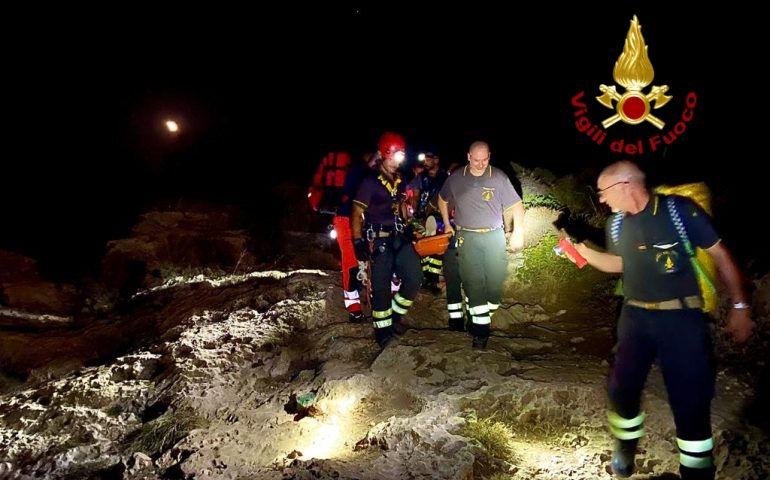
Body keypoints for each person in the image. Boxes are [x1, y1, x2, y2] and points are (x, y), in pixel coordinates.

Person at [573, 160, 754, 479]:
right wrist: (585, 253)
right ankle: (626, 446)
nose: (601, 199)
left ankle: (697, 470)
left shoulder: (678, 211)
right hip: (635, 318)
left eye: (603, 192)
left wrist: (740, 305)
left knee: (690, 400)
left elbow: (720, 254)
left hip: (681, 319)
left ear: (625, 185)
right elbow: (620, 264)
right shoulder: (617, 224)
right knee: (621, 389)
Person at [438, 140, 525, 349]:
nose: (480, 164)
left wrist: (518, 232)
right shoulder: (457, 178)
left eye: (484, 160)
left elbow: (516, 205)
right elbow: (442, 199)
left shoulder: (498, 177)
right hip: (467, 237)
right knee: (474, 282)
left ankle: (479, 313)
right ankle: (480, 333)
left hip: (493, 236)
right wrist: (447, 224)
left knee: (494, 285)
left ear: (489, 156)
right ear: (468, 157)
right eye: (476, 160)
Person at [351, 132, 423, 348]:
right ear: (384, 155)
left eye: (400, 156)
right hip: (379, 239)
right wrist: (357, 241)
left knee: (414, 277)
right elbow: (356, 211)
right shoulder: (370, 181)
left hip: (399, 236)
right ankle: (383, 333)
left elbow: (401, 205)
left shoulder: (400, 180)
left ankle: (395, 316)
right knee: (381, 288)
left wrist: (409, 224)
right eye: (394, 156)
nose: (397, 161)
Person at [333, 152, 377, 323]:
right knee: (351, 264)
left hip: (357, 220)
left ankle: (362, 304)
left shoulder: (363, 173)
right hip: (346, 220)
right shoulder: (359, 172)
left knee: (362, 261)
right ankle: (354, 309)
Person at [408, 151, 449, 293]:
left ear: (436, 160)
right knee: (423, 247)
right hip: (422, 216)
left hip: (439, 216)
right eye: (424, 160)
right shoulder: (421, 177)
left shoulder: (445, 177)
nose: (425, 162)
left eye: (428, 160)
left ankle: (432, 279)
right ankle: (426, 279)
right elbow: (415, 195)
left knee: (437, 248)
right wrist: (414, 213)